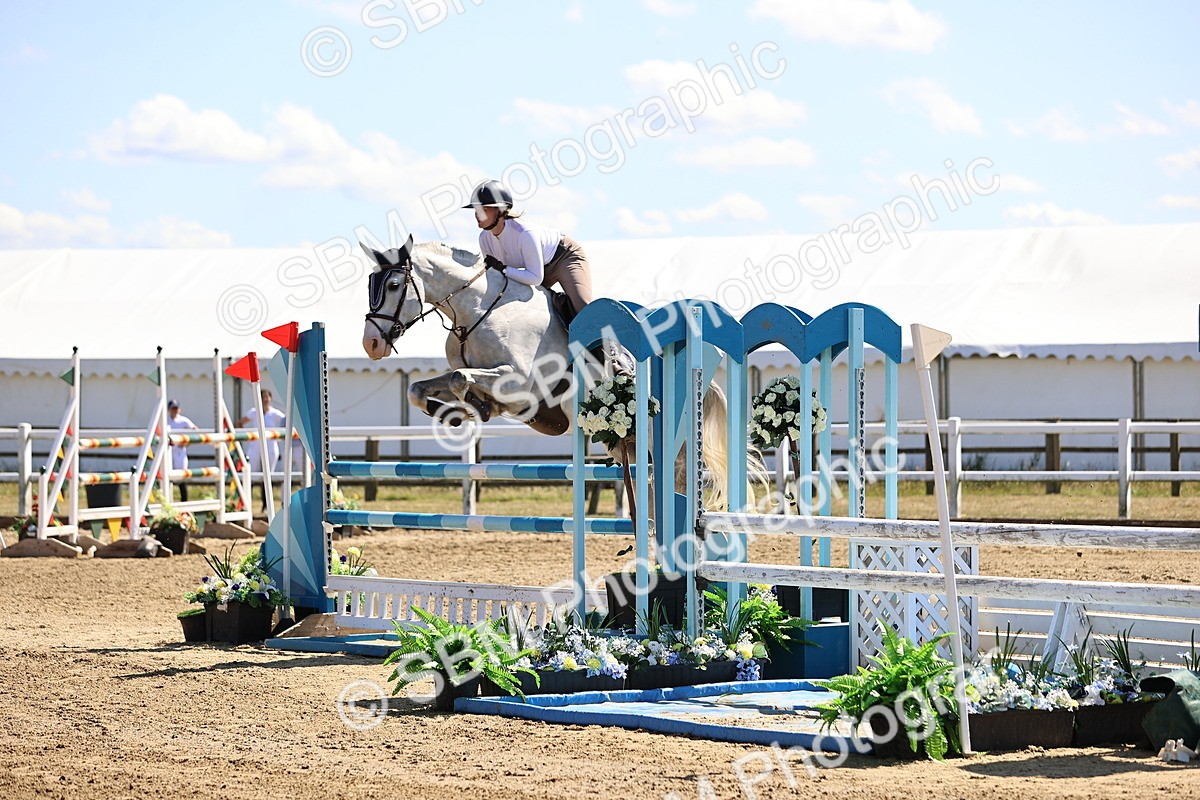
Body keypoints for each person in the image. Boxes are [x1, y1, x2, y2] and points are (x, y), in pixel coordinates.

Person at [463, 179, 594, 317]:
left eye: (484, 210)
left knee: (584, 309)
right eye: (476, 210)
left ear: (501, 211)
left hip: (565, 258)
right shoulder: (484, 239)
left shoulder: (525, 233)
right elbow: (496, 278)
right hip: (536, 269)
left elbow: (535, 278)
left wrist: (503, 269)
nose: (477, 215)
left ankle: (608, 337)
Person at [237, 389, 286, 478]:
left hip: (270, 443)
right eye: (263, 397)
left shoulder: (275, 413)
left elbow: (286, 421)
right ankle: (250, 490)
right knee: (251, 471)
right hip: (256, 443)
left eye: (267, 397)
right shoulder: (254, 412)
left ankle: (267, 491)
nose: (265, 400)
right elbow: (240, 423)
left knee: (270, 473)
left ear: (270, 399)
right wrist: (244, 438)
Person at [167, 399, 200, 501]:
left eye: (176, 408)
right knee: (168, 475)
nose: (174, 410)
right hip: (168, 451)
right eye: (173, 408)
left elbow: (196, 431)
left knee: (182, 476)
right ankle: (169, 500)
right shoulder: (165, 420)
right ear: (169, 410)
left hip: (180, 451)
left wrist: (187, 442)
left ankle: (184, 500)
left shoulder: (183, 420)